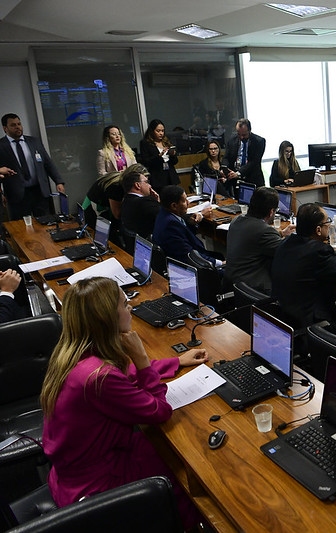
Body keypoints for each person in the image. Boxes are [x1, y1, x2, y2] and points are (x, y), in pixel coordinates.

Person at [39, 277, 208, 530]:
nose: (129, 307)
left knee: (167, 445)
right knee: (191, 464)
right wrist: (141, 358)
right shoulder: (98, 377)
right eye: (123, 302)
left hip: (71, 473)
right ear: (106, 317)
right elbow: (158, 411)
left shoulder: (73, 353)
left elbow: (123, 374)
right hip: (96, 485)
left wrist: (175, 362)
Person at [271, 203, 336, 336]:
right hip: (314, 328)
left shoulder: (286, 243)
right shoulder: (318, 253)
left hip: (287, 320)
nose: (329, 224)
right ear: (318, 230)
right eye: (327, 222)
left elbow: (312, 255)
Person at [224, 187, 294, 294]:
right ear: (271, 212)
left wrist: (282, 233)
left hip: (233, 282)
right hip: (253, 288)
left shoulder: (237, 220)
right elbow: (288, 252)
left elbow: (255, 237)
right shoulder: (264, 231)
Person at [0, 113, 66, 220]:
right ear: (5, 128)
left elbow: (48, 163)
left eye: (19, 124)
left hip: (39, 191)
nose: (18, 127)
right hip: (16, 194)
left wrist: (58, 181)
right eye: (13, 125)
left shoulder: (34, 142)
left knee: (45, 222)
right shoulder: (1, 146)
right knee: (20, 227)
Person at [152, 185, 223, 267]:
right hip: (192, 267)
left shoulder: (164, 214)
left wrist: (192, 222)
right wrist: (220, 263)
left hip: (190, 258)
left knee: (219, 255)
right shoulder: (171, 225)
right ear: (174, 206)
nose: (188, 203)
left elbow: (185, 234)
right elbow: (189, 256)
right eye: (185, 200)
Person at [138, 119, 179, 193]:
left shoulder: (166, 141)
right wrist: (159, 156)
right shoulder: (145, 143)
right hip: (157, 178)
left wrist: (172, 155)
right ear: (152, 131)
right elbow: (146, 162)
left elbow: (175, 161)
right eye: (158, 131)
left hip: (170, 176)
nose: (161, 133)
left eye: (162, 131)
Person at [120, 164, 160, 238]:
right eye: (146, 182)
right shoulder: (146, 202)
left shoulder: (125, 201)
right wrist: (157, 202)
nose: (150, 186)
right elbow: (166, 216)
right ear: (138, 185)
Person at [224, 118, 266, 187]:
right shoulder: (232, 139)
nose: (241, 137)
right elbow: (226, 157)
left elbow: (254, 161)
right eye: (239, 134)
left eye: (244, 135)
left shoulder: (259, 141)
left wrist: (239, 173)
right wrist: (225, 169)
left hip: (252, 178)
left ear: (249, 130)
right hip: (234, 179)